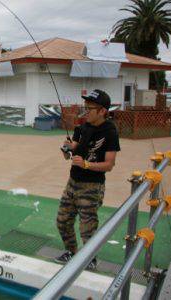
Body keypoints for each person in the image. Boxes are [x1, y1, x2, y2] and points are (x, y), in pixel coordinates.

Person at [54, 89, 120, 270]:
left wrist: (86, 165)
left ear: (102, 111)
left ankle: (90, 258)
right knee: (62, 221)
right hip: (72, 182)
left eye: (90, 107)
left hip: (92, 186)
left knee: (87, 227)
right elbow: (71, 156)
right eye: (86, 106)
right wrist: (67, 149)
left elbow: (109, 164)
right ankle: (71, 252)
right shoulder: (81, 128)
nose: (86, 111)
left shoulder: (110, 131)